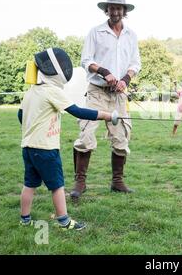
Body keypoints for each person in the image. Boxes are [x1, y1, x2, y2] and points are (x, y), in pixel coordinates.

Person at [19, 48, 119, 230]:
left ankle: (24, 219)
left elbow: (21, 115)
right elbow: (77, 111)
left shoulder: (31, 91)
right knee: (57, 186)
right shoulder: (51, 91)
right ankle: (64, 221)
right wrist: (107, 115)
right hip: (46, 149)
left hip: (28, 147)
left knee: (29, 184)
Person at [71, 0, 141, 200]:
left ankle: (117, 182)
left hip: (119, 94)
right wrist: (104, 72)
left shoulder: (131, 35)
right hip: (97, 92)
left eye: (119, 8)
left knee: (121, 137)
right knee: (86, 135)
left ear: (124, 11)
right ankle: (80, 182)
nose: (116, 11)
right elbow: (86, 60)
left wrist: (124, 80)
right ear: (106, 10)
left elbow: (135, 64)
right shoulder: (95, 32)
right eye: (112, 8)